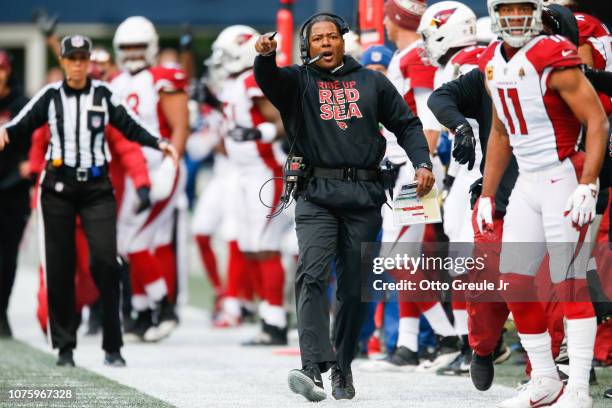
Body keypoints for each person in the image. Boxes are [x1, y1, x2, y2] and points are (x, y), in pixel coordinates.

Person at [254, 12, 434, 401]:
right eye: (316, 38)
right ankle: (311, 367)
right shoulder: (297, 81)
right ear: (307, 46)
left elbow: (408, 124)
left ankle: (342, 365)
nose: (324, 44)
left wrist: (422, 162)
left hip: (363, 197)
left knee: (353, 290)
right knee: (311, 274)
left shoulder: (372, 81)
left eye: (330, 37)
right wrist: (265, 58)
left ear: (342, 41)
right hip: (315, 193)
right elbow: (268, 80)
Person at [0, 35, 178, 367]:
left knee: (106, 264)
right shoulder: (50, 96)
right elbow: (23, 123)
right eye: (73, 58)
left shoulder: (104, 94)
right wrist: (6, 130)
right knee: (60, 267)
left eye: (84, 58)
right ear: (64, 62)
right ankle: (65, 347)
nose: (79, 64)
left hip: (97, 187)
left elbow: (128, 125)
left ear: (89, 63)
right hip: (58, 189)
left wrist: (158, 142)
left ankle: (113, 346)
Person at [477, 1, 608, 407]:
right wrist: (486, 192)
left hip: (562, 175)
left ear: (536, 11)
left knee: (570, 281)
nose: (515, 17)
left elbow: (597, 120)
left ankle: (580, 390)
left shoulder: (554, 52)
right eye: (507, 9)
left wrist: (587, 184)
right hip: (527, 183)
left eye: (523, 8)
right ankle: (546, 379)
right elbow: (500, 131)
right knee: (515, 281)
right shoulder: (490, 60)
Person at [111, 16, 190, 342]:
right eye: (126, 47)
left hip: (160, 167)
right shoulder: (115, 82)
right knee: (126, 243)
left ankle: (164, 307)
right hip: (131, 173)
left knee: (135, 242)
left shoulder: (162, 77)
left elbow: (180, 125)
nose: (131, 53)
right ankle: (143, 314)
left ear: (152, 47)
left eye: (138, 47)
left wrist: (170, 165)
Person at [0, 50, 30, 338]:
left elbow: (38, 138)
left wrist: (31, 162)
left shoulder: (22, 104)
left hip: (13, 191)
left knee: (7, 256)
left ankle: (2, 311)